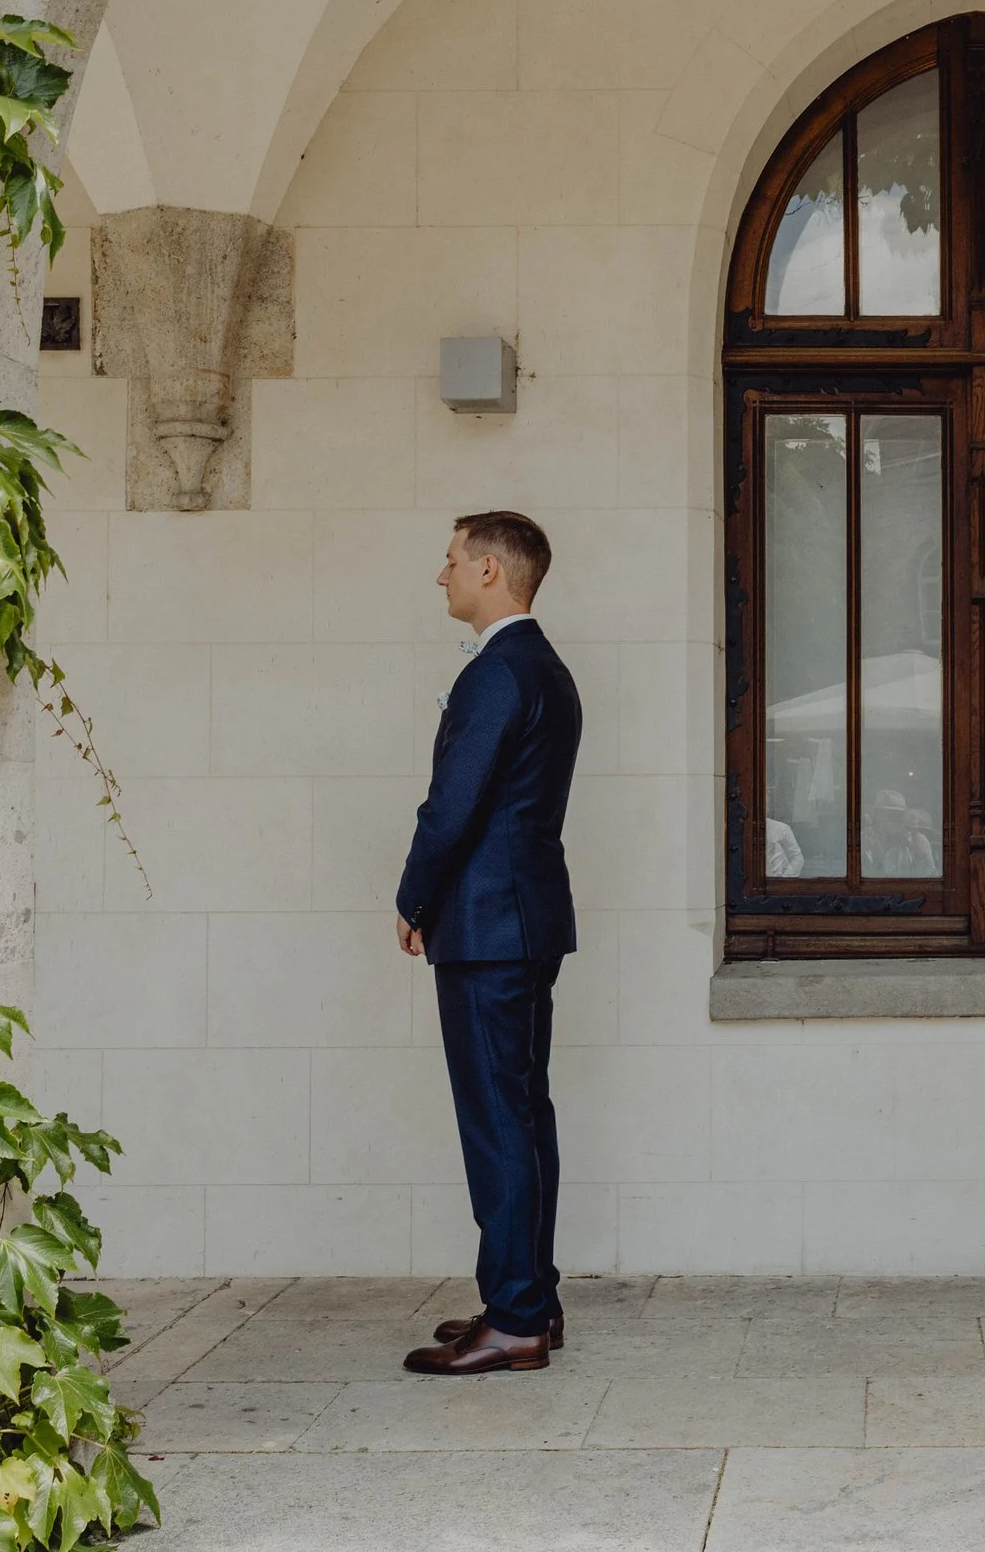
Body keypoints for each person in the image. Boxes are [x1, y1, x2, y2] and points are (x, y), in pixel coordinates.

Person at [394, 511, 582, 1376]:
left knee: (498, 1119)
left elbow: (453, 805)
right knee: (523, 1112)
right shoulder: (543, 668)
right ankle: (528, 1296)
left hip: (486, 926)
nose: (442, 574)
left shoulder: (499, 675)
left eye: (453, 560)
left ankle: (514, 1319)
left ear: (493, 573)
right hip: (523, 920)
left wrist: (411, 896)